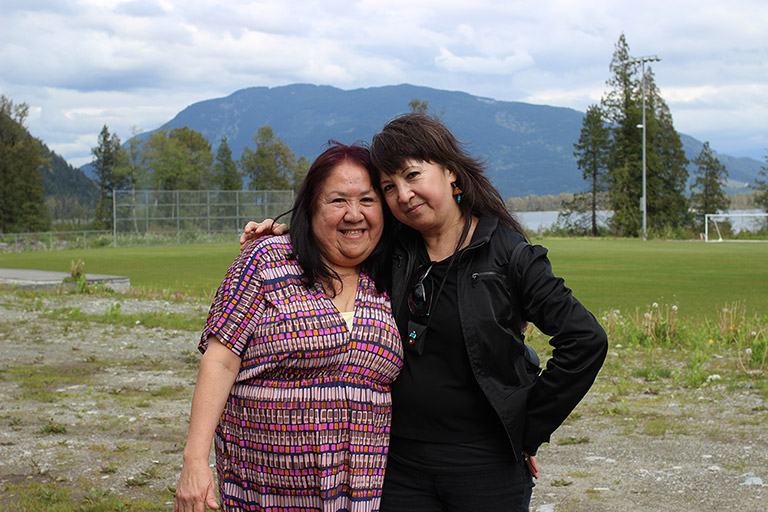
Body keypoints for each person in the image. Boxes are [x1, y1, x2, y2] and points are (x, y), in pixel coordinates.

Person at [241, 113, 608, 512]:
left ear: (451, 172)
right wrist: (286, 235)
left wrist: (523, 428)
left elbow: (585, 340)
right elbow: (339, 235)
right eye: (388, 187)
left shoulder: (508, 254)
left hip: (485, 469)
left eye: (412, 175)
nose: (403, 194)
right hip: (398, 468)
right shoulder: (392, 251)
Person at [175, 142, 404, 512]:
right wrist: (195, 461)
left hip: (362, 494)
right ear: (310, 206)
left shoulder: (396, 274)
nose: (354, 214)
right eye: (337, 201)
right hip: (262, 490)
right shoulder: (266, 259)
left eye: (367, 200)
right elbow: (220, 360)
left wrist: (507, 433)